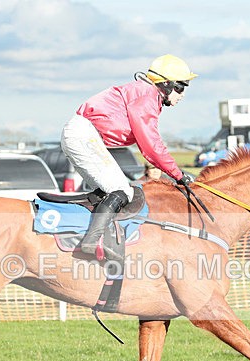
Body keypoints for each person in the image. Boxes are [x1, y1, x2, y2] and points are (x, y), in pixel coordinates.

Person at [61, 54, 198, 262]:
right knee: (121, 190)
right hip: (83, 135)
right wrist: (178, 175)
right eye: (180, 87)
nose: (182, 94)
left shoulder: (145, 93)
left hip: (81, 134)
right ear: (166, 84)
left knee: (109, 191)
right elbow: (151, 145)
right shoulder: (147, 94)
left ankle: (94, 238)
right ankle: (91, 242)